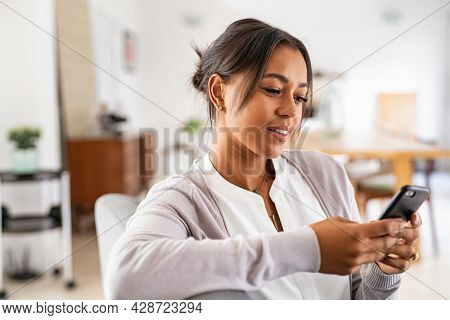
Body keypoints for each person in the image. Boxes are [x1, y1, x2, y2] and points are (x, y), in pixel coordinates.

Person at [105, 18, 421, 300]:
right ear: (218, 92)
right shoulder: (183, 198)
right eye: (272, 89)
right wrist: (310, 249)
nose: (290, 111)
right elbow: (124, 281)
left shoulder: (327, 175)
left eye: (300, 97)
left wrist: (382, 272)